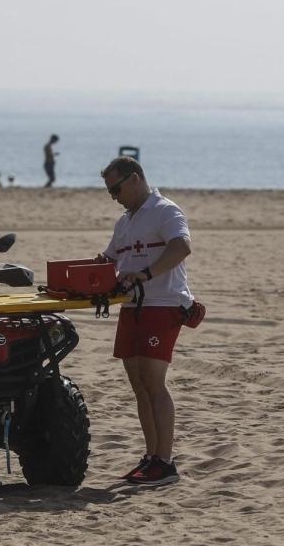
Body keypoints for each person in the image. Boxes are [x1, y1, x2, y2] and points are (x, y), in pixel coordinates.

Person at [96, 156, 194, 486]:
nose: (113, 196)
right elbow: (109, 259)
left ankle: (165, 462)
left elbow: (181, 247)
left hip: (163, 303)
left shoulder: (165, 210)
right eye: (109, 191)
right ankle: (151, 457)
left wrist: (147, 273)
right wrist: (94, 270)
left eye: (116, 188)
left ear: (135, 179)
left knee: (154, 382)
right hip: (132, 305)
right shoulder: (125, 222)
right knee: (138, 383)